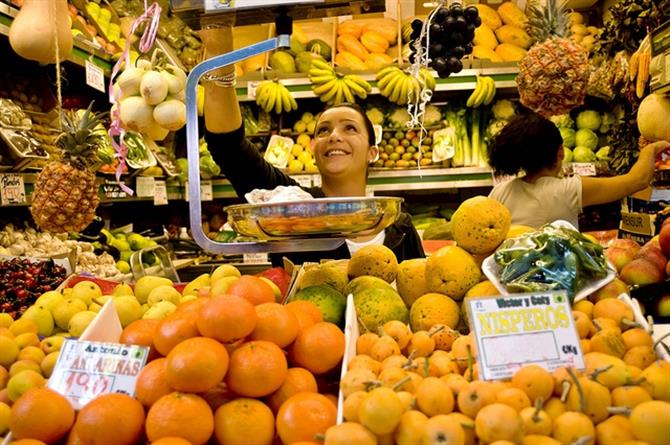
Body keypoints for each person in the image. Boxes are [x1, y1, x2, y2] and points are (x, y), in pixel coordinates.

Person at [199, 27, 424, 264]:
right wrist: (219, 48)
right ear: (314, 151)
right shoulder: (291, 206)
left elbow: (423, 291)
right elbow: (228, 147)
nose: (334, 136)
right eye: (323, 130)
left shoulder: (400, 226)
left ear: (372, 152)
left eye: (350, 128)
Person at [487, 112, 670, 229]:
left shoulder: (499, 192)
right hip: (556, 280)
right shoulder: (566, 191)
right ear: (560, 152)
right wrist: (651, 150)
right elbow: (637, 180)